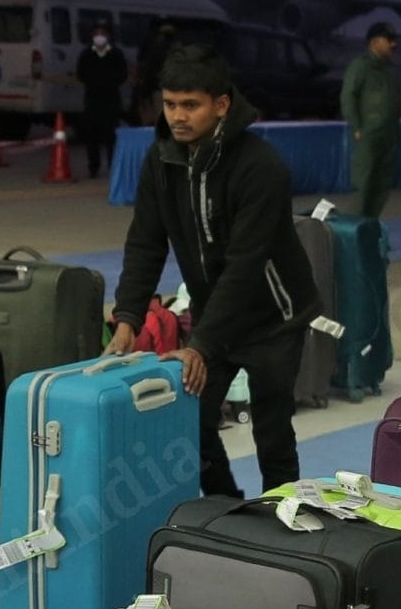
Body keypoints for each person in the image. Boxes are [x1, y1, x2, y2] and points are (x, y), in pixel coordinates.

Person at [109, 46, 321, 497]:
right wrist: (128, 318)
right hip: (216, 315)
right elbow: (146, 241)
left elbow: (246, 265)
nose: (177, 117)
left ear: (221, 105)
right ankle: (226, 508)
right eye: (169, 104)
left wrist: (200, 345)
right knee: (192, 422)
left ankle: (280, 519)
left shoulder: (261, 167)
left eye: (191, 105)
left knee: (272, 429)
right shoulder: (161, 160)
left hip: (274, 317)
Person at [341, 20, 401, 220]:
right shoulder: (360, 67)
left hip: (388, 137)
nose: (394, 45)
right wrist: (357, 127)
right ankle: (355, 231)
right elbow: (348, 96)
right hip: (368, 136)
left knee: (381, 185)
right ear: (374, 42)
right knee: (364, 185)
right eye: (389, 40)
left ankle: (370, 227)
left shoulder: (390, 71)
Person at [74, 21, 128, 179]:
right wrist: (94, 81)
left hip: (111, 100)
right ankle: (93, 167)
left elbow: (122, 74)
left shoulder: (116, 54)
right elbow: (81, 74)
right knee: (92, 136)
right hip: (92, 100)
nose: (99, 37)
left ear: (108, 36)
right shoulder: (86, 54)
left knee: (111, 137)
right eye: (96, 34)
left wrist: (109, 82)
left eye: (102, 34)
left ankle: (113, 166)